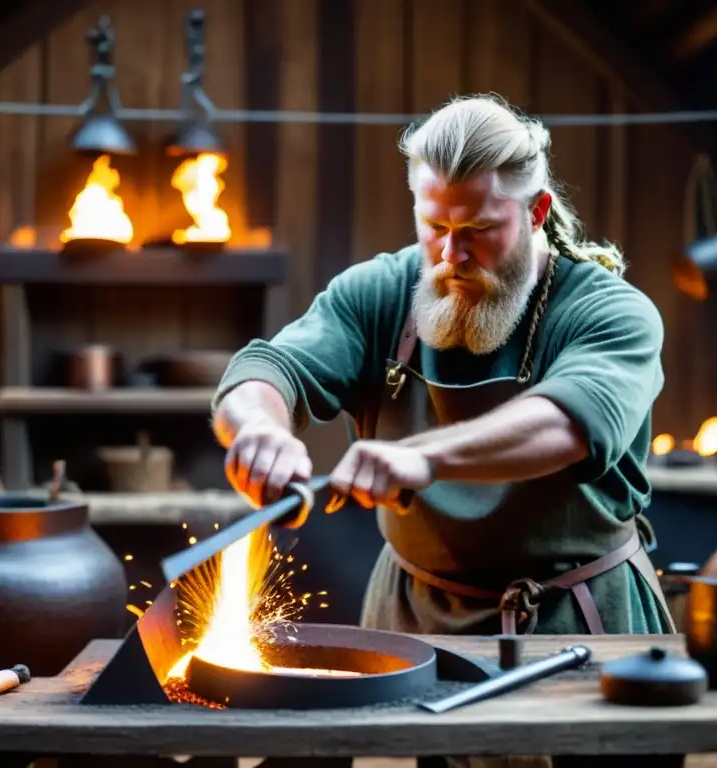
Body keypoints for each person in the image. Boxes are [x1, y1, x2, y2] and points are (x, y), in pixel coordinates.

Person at [211, 95, 675, 767]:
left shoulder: (610, 312)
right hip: (411, 621)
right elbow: (268, 365)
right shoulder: (380, 292)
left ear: (537, 210)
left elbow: (569, 422)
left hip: (577, 625)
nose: (451, 254)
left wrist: (420, 458)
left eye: (479, 230)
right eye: (432, 225)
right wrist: (259, 427)